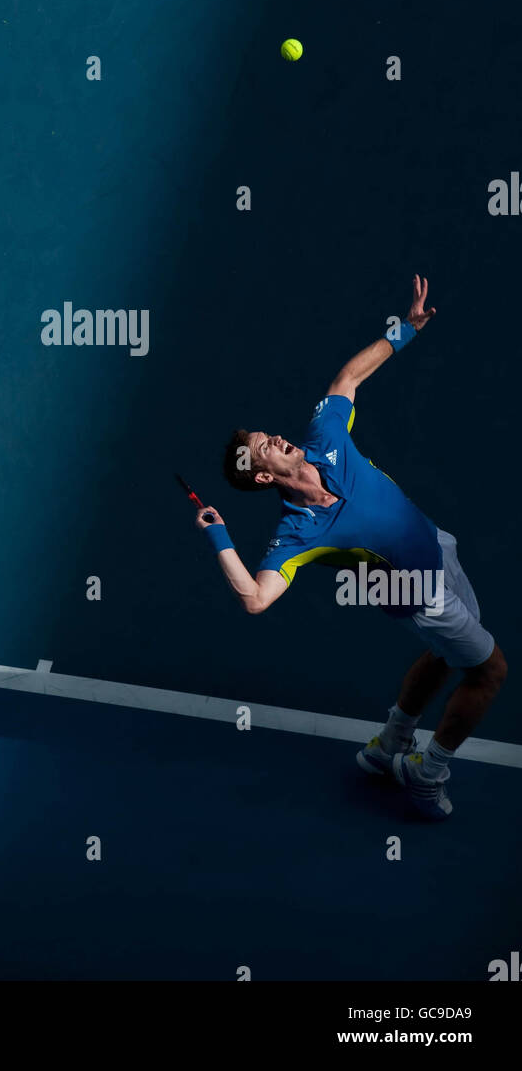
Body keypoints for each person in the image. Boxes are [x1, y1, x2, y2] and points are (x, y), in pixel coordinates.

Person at [199, 277, 507, 820]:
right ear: (265, 476)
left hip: (436, 544)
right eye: (263, 447)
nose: (274, 438)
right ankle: (428, 772)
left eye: (267, 434)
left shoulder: (324, 434)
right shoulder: (297, 534)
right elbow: (254, 598)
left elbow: (348, 376)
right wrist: (220, 535)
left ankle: (390, 744)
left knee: (444, 656)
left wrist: (405, 330)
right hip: (418, 593)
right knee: (489, 672)